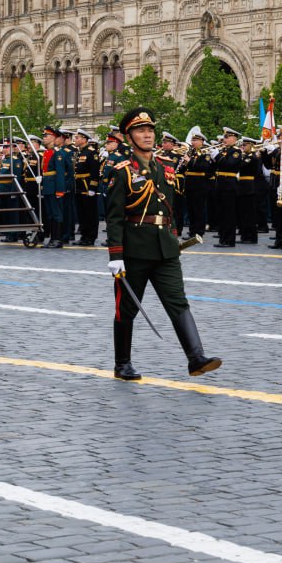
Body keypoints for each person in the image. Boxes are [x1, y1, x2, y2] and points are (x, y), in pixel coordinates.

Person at [105, 107, 221, 380]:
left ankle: (196, 358)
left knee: (177, 301)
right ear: (129, 137)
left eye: (150, 130)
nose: (147, 135)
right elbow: (114, 217)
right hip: (134, 250)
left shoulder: (166, 168)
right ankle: (122, 364)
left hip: (165, 249)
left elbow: (171, 210)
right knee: (126, 308)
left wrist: (173, 235)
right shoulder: (121, 172)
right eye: (140, 131)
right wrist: (116, 255)